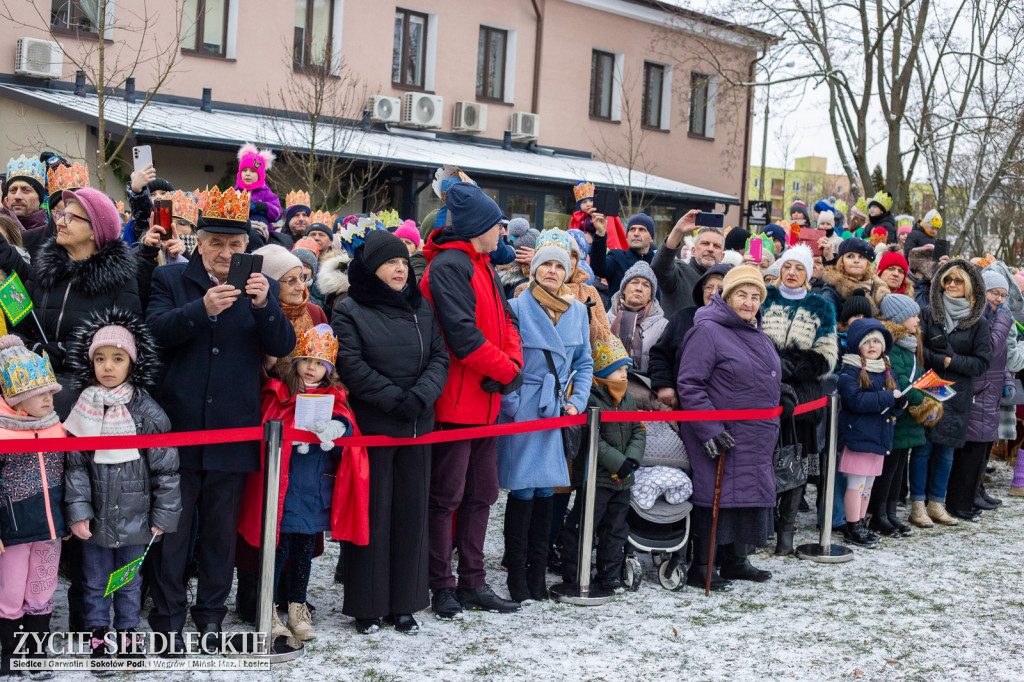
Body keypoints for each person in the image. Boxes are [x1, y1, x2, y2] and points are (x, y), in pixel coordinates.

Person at [145, 186, 296, 654]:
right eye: (216, 242)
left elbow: (284, 344)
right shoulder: (171, 279)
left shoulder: (261, 287)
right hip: (180, 428)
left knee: (218, 534)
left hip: (234, 430)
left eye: (235, 245)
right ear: (200, 242)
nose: (225, 253)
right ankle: (167, 617)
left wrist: (264, 305)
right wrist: (200, 310)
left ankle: (210, 615)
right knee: (172, 531)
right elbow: (154, 334)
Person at [332, 230, 448, 634]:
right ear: (370, 267)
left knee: (411, 517)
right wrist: (394, 399)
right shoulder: (349, 310)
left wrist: (420, 397)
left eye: (403, 262)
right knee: (374, 516)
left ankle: (405, 603)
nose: (400, 269)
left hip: (418, 425)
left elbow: (439, 358)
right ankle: (368, 605)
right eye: (389, 262)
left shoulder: (423, 308)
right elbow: (351, 364)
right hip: (374, 428)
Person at [419, 182, 524, 618]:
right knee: (446, 497)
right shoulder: (449, 266)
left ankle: (473, 581)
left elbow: (507, 323)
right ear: (479, 226)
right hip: (455, 403)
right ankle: (440, 583)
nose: (502, 231)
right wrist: (507, 371)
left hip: (484, 403)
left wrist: (513, 364)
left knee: (481, 495)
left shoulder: (482, 264)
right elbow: (462, 338)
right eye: (496, 224)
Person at [62, 312, 181, 663]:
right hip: (96, 519)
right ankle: (99, 634)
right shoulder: (83, 408)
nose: (108, 367)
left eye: (117, 359)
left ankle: (128, 632)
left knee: (128, 583)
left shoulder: (147, 412)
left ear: (132, 362)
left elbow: (166, 470)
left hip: (136, 519)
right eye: (100, 359)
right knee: (95, 581)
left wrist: (163, 514)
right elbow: (76, 467)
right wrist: (79, 512)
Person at [239, 325, 361, 641]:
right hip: (284, 487)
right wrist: (286, 434)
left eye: (319, 363)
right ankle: (268, 606)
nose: (311, 367)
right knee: (277, 550)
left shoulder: (335, 396)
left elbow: (349, 430)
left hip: (314, 488)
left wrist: (338, 427)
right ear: (296, 362)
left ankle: (297, 606)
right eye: (306, 360)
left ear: (329, 369)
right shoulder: (280, 390)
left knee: (303, 550)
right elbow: (268, 421)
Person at [497, 230, 593, 603]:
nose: (552, 270)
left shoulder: (578, 312)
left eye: (559, 264)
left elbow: (584, 363)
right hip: (524, 409)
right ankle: (516, 579)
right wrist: (514, 401)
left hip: (556, 409)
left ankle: (537, 577)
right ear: (533, 269)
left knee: (545, 491)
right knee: (522, 490)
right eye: (546, 264)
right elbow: (507, 356)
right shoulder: (516, 307)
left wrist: (576, 402)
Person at [676, 266, 781, 591]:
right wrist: (711, 430)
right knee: (715, 498)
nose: (749, 303)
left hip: (757, 435)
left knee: (746, 499)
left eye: (755, 297)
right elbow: (690, 385)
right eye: (741, 295)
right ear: (727, 296)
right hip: (722, 434)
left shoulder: (759, 334)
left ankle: (736, 561)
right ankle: (702, 566)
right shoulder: (707, 331)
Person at [17, 188, 140, 418]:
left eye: (71, 218)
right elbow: (19, 325)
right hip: (32, 388)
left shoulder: (119, 281)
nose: (61, 223)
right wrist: (32, 351)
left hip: (86, 401)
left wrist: (68, 352)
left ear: (95, 231)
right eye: (61, 215)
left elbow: (125, 342)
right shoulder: (42, 270)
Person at [760, 244, 837, 555]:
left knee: (798, 464)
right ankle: (762, 523)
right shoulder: (765, 298)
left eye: (799, 268)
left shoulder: (821, 306)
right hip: (767, 391)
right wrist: (776, 363)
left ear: (808, 274)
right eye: (787, 267)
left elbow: (827, 355)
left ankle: (787, 529)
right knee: (764, 460)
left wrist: (798, 366)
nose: (791, 273)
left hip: (805, 398)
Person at [0, 337, 66, 676]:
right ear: (18, 400)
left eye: (50, 391)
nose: (49, 398)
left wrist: (69, 517)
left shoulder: (56, 425)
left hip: (50, 529)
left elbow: (71, 474)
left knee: (41, 590)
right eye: (40, 393)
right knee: (10, 594)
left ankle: (37, 655)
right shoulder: (3, 431)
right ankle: (10, 655)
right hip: (12, 530)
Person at [558, 337, 643, 593]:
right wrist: (618, 462)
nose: (624, 375)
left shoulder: (627, 399)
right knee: (583, 527)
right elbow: (594, 439)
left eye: (626, 370)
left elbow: (639, 430)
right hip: (597, 480)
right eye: (620, 369)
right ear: (604, 371)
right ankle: (574, 573)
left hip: (622, 481)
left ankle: (610, 576)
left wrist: (631, 460)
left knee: (616, 530)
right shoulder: (591, 399)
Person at [910, 259, 990, 528]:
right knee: (923, 449)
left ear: (969, 286)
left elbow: (981, 363)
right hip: (930, 386)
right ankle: (917, 504)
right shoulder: (928, 312)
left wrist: (951, 362)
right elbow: (918, 348)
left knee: (945, 451)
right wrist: (938, 361)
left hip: (958, 393)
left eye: (958, 280)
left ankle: (937, 503)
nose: (952, 285)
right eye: (947, 280)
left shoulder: (978, 322)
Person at [945, 269, 1014, 521]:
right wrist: (1004, 321)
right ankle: (961, 501)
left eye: (1003, 295)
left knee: (982, 449)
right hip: (978, 389)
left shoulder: (995, 316)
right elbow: (992, 347)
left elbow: (1000, 358)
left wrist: (1007, 380)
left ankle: (974, 493)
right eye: (995, 293)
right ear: (982, 292)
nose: (999, 299)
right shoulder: (980, 317)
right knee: (971, 450)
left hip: (991, 390)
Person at [836, 318, 904, 546]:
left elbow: (889, 404)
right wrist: (888, 397)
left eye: (877, 341)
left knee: (868, 485)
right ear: (858, 345)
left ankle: (861, 522)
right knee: (856, 484)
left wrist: (899, 405)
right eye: (868, 342)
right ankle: (852, 525)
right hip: (858, 437)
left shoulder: (886, 370)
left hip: (879, 437)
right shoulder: (850, 371)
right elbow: (855, 401)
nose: (873, 346)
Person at [875, 294, 938, 534]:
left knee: (899, 469)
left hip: (909, 420)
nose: (917, 320)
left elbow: (919, 377)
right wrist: (924, 401)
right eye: (913, 316)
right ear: (899, 319)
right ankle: (879, 514)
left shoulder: (909, 346)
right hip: (897, 418)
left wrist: (933, 392)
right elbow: (900, 380)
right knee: (889, 470)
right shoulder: (892, 347)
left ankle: (891, 513)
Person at [648, 264, 732, 408]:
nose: (713, 293)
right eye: (709, 287)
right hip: (683, 405)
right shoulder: (683, 318)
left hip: (725, 407)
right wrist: (664, 385)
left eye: (720, 288)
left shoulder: (737, 324)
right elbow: (659, 355)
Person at [252, 244, 328, 377]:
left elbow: (328, 366)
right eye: (290, 281)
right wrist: (267, 366)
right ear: (270, 284)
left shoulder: (315, 313)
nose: (300, 286)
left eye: (301, 277)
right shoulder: (254, 317)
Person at [652, 210, 724, 315]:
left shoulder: (727, 281)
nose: (710, 249)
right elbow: (659, 267)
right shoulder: (678, 273)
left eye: (716, 246)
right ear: (693, 251)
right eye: (705, 243)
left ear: (722, 256)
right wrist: (678, 231)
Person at [606, 262, 667, 374]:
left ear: (651, 296)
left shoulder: (663, 327)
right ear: (623, 289)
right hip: (607, 386)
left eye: (646, 285)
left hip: (645, 387)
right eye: (634, 282)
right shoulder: (604, 320)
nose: (639, 288)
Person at [820, 237, 890, 317]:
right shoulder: (832, 288)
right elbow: (825, 312)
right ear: (841, 261)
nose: (856, 260)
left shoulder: (877, 288)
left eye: (861, 257)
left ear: (868, 263)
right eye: (850, 256)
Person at [591, 214, 658, 296]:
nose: (636, 233)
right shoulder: (617, 257)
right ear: (627, 236)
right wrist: (600, 233)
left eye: (642, 229)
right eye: (632, 229)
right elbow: (598, 268)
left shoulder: (659, 263)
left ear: (651, 238)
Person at [235, 143, 282, 228]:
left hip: (260, 230)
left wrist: (265, 207)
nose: (248, 174)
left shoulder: (266, 193)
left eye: (253, 171)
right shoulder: (235, 192)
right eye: (244, 170)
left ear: (260, 175)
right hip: (238, 229)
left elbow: (278, 214)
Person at [1, 155, 48, 232]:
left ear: (39, 198)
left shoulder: (51, 235)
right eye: (13, 190)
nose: (17, 196)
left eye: (26, 190)